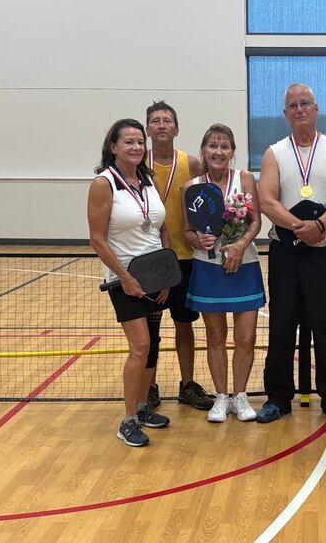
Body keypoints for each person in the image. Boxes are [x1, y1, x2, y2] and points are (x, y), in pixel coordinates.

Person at [257, 83, 326, 425]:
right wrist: (301, 227)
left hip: (325, 252)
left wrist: (321, 226)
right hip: (286, 253)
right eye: (292, 105)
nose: (299, 109)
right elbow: (267, 200)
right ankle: (277, 397)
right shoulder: (274, 153)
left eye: (305, 103)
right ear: (285, 115)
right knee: (282, 325)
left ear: (316, 109)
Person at [87, 118, 172, 447]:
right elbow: (97, 240)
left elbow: (161, 227)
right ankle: (128, 421)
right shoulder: (103, 184)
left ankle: (143, 407)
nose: (136, 147)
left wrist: (166, 275)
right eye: (129, 142)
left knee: (152, 345)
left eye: (140, 142)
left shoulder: (147, 179)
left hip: (155, 277)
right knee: (139, 347)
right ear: (113, 147)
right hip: (125, 280)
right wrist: (125, 278)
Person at [182, 124, 265, 423]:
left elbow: (256, 222)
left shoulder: (244, 179)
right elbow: (187, 230)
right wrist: (197, 240)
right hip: (208, 267)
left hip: (245, 265)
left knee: (246, 337)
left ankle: (240, 396)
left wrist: (241, 245)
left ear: (232, 152)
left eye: (225, 146)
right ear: (204, 150)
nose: (218, 151)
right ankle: (220, 397)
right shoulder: (192, 185)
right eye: (213, 146)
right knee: (215, 336)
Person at [144, 101, 213, 412]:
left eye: (167, 120)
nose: (161, 125)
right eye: (155, 121)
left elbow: (208, 200)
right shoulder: (136, 162)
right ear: (148, 129)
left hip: (186, 256)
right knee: (150, 329)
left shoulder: (192, 163)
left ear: (176, 128)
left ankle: (187, 385)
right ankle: (149, 386)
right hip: (150, 259)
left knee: (184, 324)